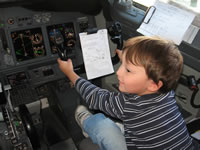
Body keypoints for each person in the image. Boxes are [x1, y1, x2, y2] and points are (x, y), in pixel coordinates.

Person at [57, 36, 197, 150]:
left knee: (101, 124)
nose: (118, 72)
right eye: (122, 64)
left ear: (154, 85)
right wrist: (128, 58)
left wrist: (71, 74)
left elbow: (95, 97)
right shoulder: (167, 92)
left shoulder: (129, 106)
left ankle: (86, 121)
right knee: (130, 124)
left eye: (128, 70)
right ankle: (126, 129)